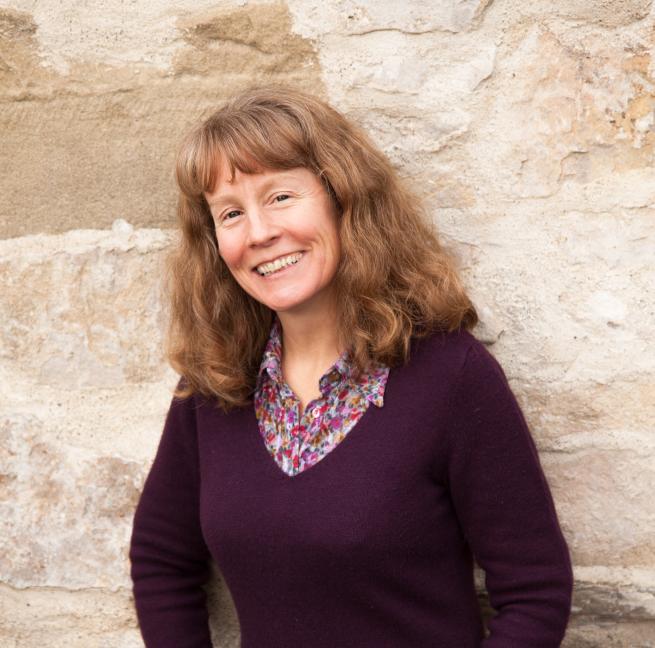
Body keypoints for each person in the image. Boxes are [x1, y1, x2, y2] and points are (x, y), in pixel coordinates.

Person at [129, 86, 574, 647]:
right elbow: (159, 560)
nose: (260, 233)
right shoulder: (214, 387)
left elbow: (536, 592)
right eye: (232, 213)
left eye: (282, 196)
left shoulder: (451, 377)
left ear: (342, 197)